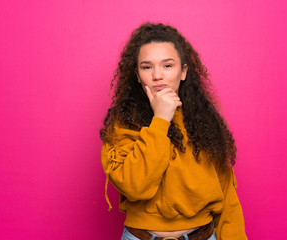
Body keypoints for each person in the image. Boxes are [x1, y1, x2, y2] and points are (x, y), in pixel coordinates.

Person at [100, 22, 247, 240]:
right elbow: (135, 187)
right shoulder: (123, 124)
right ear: (138, 75)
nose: (157, 75)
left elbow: (227, 197)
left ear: (184, 71)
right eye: (147, 67)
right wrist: (160, 119)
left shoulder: (205, 123)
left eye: (167, 66)